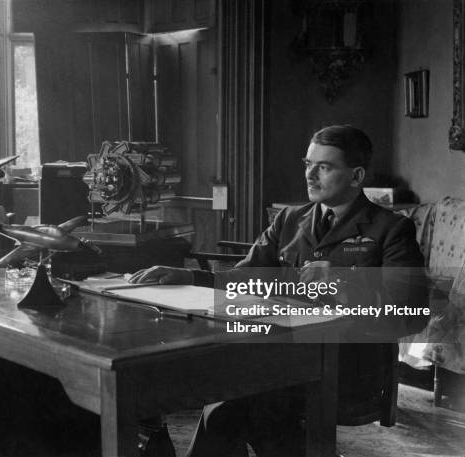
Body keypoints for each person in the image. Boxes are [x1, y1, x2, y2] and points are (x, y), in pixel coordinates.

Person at [130, 125, 429, 456]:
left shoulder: (391, 229)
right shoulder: (290, 219)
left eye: (324, 167)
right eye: (308, 164)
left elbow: (411, 313)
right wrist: (186, 276)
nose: (310, 175)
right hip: (280, 357)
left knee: (240, 405)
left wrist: (346, 286)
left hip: (348, 366)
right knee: (228, 401)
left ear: (356, 176)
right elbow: (245, 276)